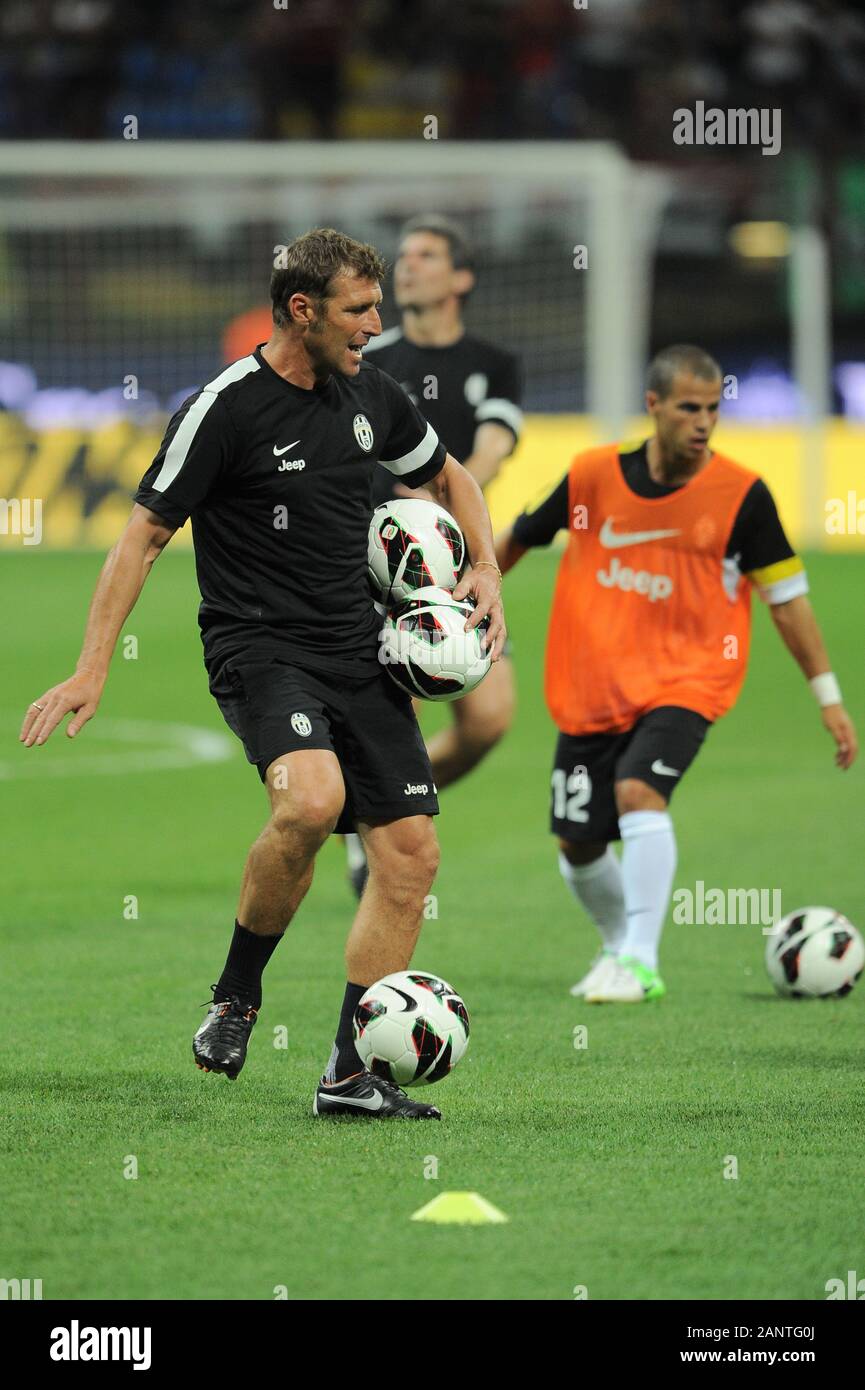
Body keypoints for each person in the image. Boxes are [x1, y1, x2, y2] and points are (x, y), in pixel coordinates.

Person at [20, 228, 506, 1118]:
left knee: (410, 855)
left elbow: (451, 478)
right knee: (311, 803)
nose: (375, 324)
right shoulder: (225, 409)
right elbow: (143, 536)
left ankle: (349, 1075)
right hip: (260, 650)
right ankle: (237, 996)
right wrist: (93, 668)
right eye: (359, 309)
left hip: (359, 650)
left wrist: (484, 568)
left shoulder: (370, 394)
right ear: (301, 310)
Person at [495, 343, 857, 1003]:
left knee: (638, 794)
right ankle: (616, 946)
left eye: (713, 408)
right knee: (576, 846)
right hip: (594, 686)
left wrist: (826, 697)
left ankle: (640, 960)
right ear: (653, 405)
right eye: (688, 407)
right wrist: (474, 602)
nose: (702, 421)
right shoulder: (591, 475)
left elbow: (786, 601)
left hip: (689, 680)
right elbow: (520, 535)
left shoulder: (741, 494)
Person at [345, 214, 523, 894]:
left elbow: (495, 450)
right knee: (402, 718)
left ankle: (369, 809)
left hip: (458, 562)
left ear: (460, 277)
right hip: (378, 568)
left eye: (425, 255)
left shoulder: (494, 363)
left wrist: (440, 489)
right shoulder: (371, 358)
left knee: (486, 721)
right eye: (405, 256)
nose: (408, 265)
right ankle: (386, 840)